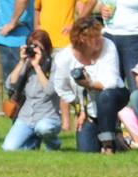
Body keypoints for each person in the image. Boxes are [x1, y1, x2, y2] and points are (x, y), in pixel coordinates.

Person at [52, 15, 127, 152]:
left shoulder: (108, 45)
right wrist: (80, 109)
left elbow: (110, 83)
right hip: (88, 108)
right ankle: (116, 136)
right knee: (87, 150)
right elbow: (61, 88)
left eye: (99, 34)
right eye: (93, 37)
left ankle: (108, 144)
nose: (99, 39)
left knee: (106, 95)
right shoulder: (64, 58)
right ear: (82, 38)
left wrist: (89, 84)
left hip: (114, 98)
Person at [1, 28, 62, 150]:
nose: (34, 50)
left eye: (38, 47)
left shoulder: (54, 65)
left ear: (46, 48)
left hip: (47, 117)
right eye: (31, 46)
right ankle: (33, 141)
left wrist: (37, 67)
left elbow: (49, 90)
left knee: (43, 128)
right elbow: (9, 85)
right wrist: (22, 61)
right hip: (26, 117)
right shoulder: (27, 64)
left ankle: (53, 144)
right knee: (8, 148)